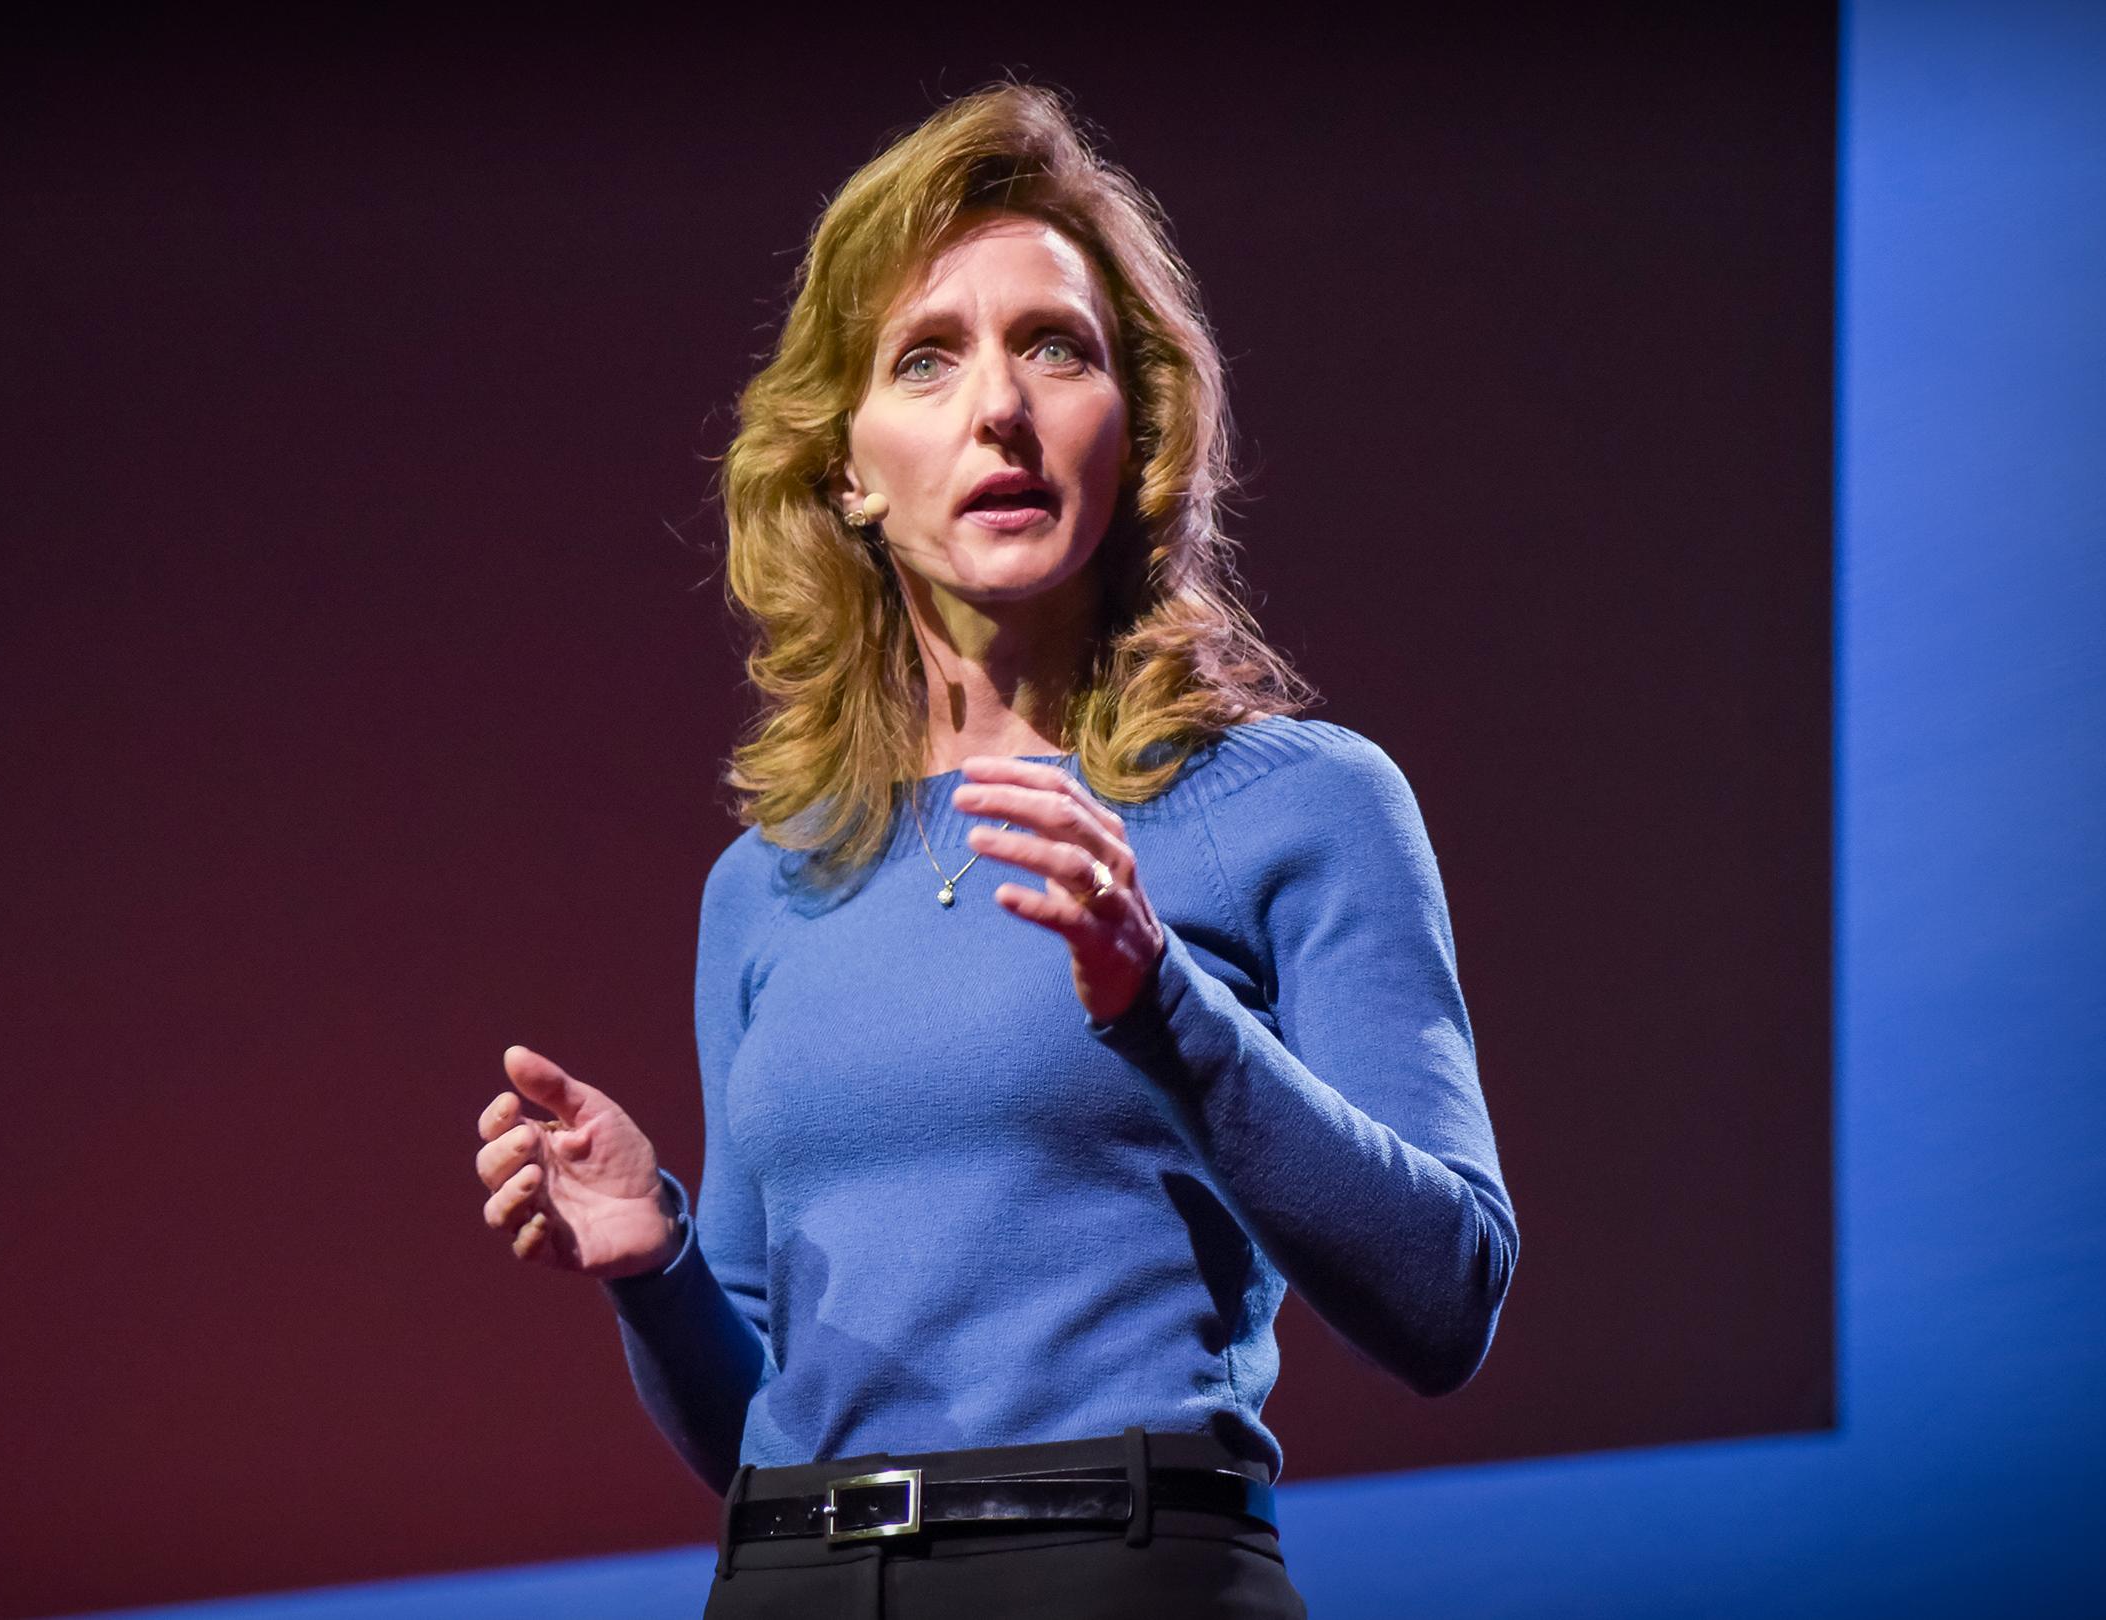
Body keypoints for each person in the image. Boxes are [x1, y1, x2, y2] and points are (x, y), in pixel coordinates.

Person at [472, 82, 1516, 1618]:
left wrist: (1162, 1006)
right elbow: (760, 1437)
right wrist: (656, 1264)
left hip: (1124, 1576)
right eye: (927, 358)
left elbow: (1447, 1296)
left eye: (1056, 347)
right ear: (847, 468)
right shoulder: (765, 885)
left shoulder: (1303, 804)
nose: (1001, 409)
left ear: (1134, 427)